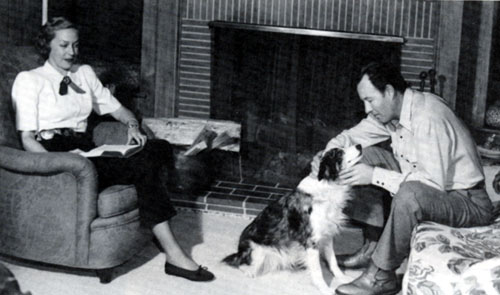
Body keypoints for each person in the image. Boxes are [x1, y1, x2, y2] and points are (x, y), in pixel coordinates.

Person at [11, 17, 214, 282]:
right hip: (56, 152)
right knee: (143, 167)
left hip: (87, 147)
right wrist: (58, 160)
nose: (71, 52)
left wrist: (132, 126)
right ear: (46, 46)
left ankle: (157, 228)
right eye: (63, 45)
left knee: (159, 148)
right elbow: (27, 139)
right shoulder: (29, 80)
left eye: (75, 45)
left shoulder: (83, 73)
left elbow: (118, 110)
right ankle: (173, 253)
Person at [311, 62, 494, 295]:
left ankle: (382, 275)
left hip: (467, 202)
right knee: (360, 157)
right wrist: (328, 155)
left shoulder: (428, 116)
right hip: (434, 185)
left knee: (409, 194)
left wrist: (374, 176)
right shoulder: (391, 113)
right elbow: (351, 137)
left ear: (388, 91)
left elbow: (431, 183)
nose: (367, 109)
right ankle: (372, 246)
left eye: (370, 100)